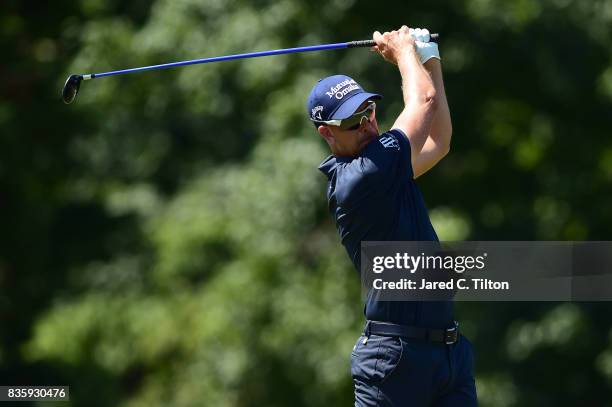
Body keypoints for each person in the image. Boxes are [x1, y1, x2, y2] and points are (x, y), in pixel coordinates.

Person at [306, 26, 477, 406]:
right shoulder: (363, 176)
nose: (367, 125)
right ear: (327, 134)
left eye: (368, 112)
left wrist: (429, 57)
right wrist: (404, 52)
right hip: (395, 361)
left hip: (448, 354)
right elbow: (424, 102)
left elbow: (439, 141)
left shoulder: (385, 165)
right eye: (353, 122)